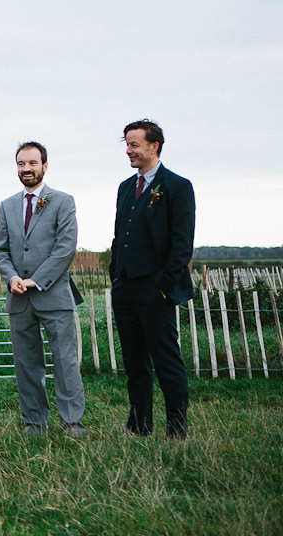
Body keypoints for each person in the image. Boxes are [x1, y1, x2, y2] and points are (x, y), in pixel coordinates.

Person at [0, 142, 86, 437]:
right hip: (19, 299)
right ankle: (34, 423)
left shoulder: (63, 201)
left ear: (45, 166)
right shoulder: (7, 205)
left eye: (32, 163)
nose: (26, 169)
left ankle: (72, 423)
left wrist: (36, 280)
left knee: (65, 362)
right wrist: (11, 278)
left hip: (54, 296)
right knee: (27, 365)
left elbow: (65, 248)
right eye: (21, 164)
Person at [109, 119, 195, 440]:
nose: (128, 151)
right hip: (126, 288)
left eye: (134, 145)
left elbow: (182, 244)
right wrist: (116, 275)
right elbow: (119, 236)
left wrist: (163, 285)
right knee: (134, 363)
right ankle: (140, 426)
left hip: (156, 290)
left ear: (153, 146)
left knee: (166, 361)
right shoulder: (125, 187)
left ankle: (176, 429)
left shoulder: (177, 186)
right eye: (127, 145)